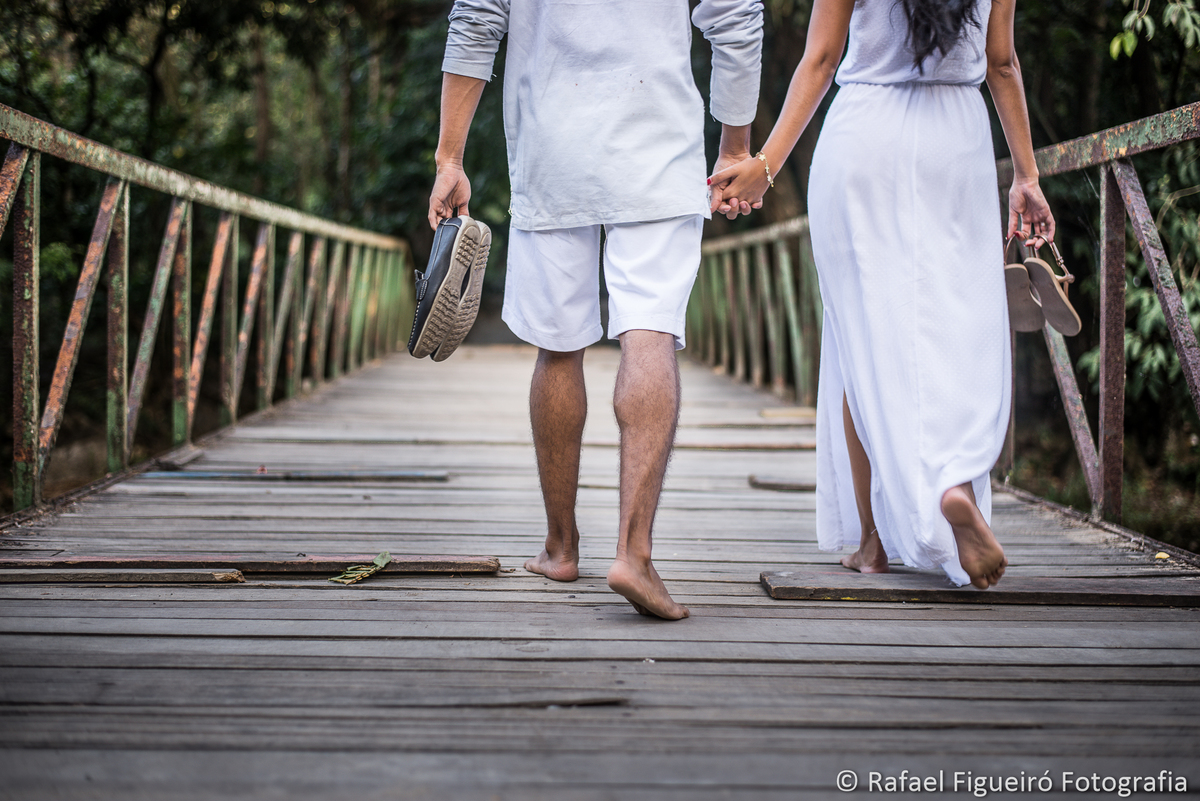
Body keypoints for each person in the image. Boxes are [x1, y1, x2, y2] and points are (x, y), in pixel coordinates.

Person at [429, 0, 764, 619]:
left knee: (558, 344)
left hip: (553, 146)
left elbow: (476, 18)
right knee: (650, 334)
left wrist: (450, 158)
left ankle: (561, 547)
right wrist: (735, 147)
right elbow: (737, 16)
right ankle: (633, 553)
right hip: (659, 147)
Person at [709, 0, 1055, 589]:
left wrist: (766, 166)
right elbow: (1002, 63)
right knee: (956, 324)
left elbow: (820, 59)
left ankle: (871, 543)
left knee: (862, 337)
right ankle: (952, 480)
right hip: (957, 141)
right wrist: (1026, 175)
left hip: (864, 135)